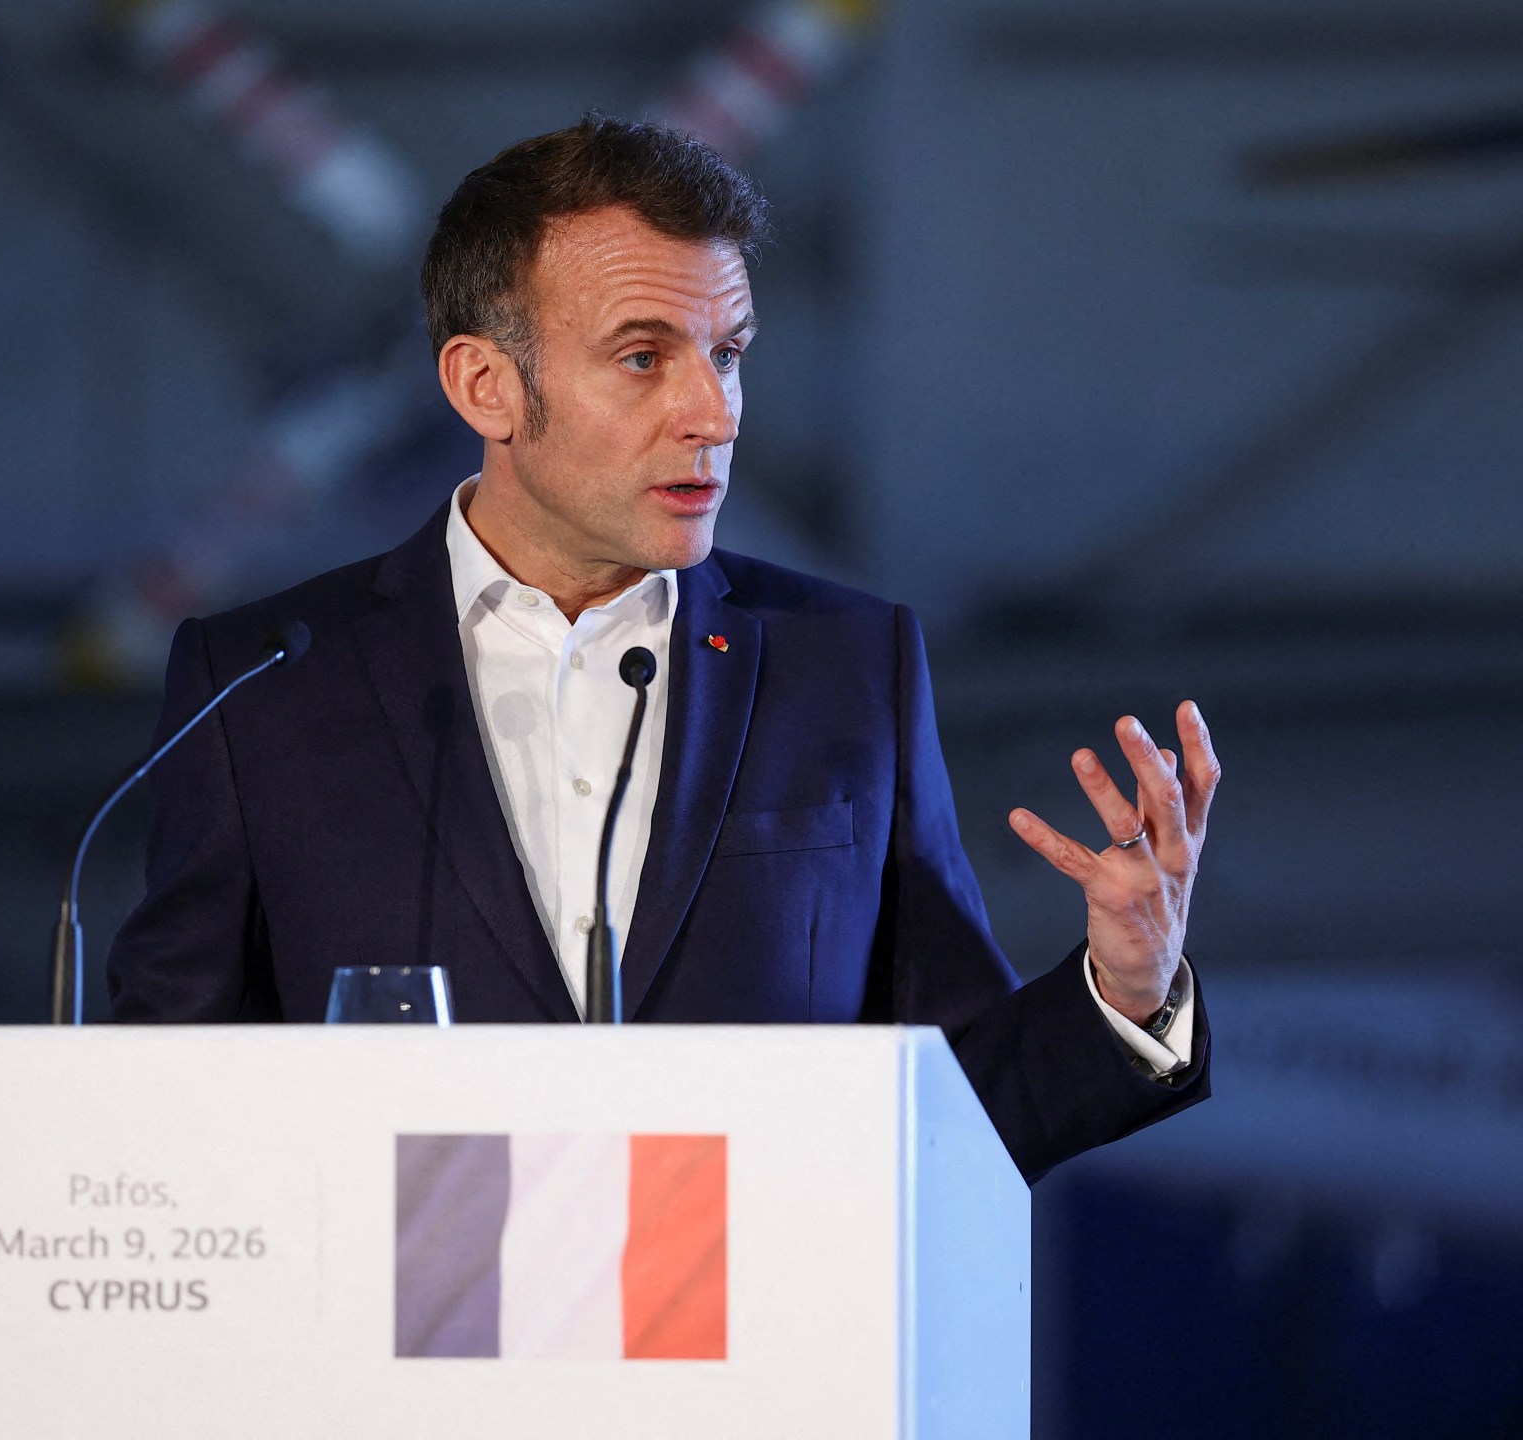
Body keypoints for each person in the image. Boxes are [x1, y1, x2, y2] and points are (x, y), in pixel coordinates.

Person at [106, 116, 1218, 1183]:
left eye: (727, 354)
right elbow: (169, 1104)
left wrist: (1127, 990)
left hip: (755, 1309)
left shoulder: (843, 668)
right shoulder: (263, 684)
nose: (714, 413)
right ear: (486, 386)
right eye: (644, 358)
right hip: (402, 1308)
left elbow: (958, 1110)